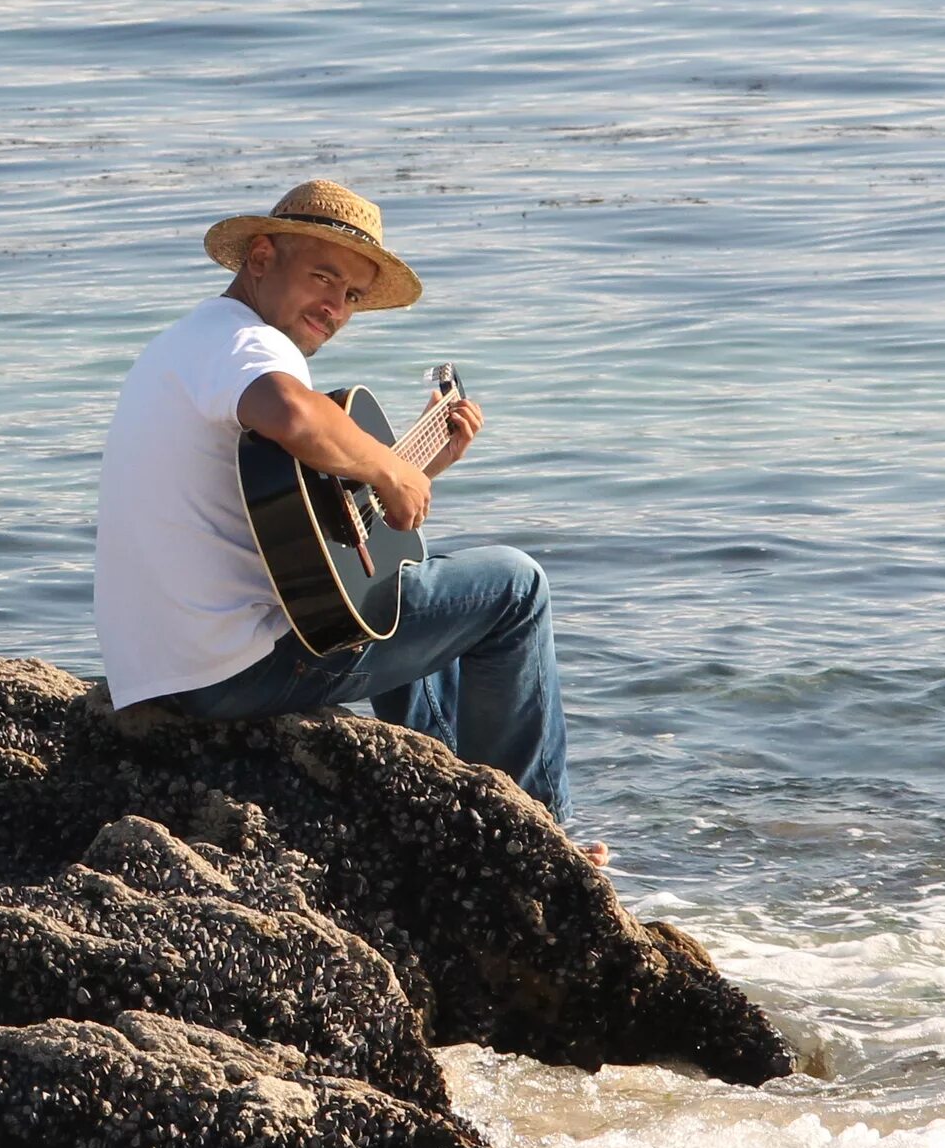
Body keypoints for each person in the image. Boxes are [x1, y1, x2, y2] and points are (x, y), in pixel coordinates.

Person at [91, 179, 601, 859]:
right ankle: (541, 842)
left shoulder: (191, 344)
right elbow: (296, 416)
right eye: (322, 275)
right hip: (236, 670)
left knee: (391, 590)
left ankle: (458, 798)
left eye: (352, 296)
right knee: (515, 588)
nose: (334, 305)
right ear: (263, 258)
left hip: (170, 671)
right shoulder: (246, 344)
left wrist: (419, 467)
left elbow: (299, 528)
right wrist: (391, 471)